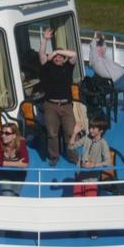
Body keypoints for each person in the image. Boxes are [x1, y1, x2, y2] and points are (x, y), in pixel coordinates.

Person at [39, 28, 78, 166]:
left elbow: (74, 54)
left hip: (66, 106)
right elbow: (42, 55)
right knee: (52, 134)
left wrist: (56, 51)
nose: (58, 58)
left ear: (63, 57)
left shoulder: (68, 66)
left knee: (70, 132)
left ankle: (72, 156)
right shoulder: (47, 66)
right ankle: (53, 157)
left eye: (60, 56)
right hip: (51, 105)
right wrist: (45, 39)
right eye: (56, 56)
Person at [69, 118, 111, 197]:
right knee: (76, 201)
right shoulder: (86, 138)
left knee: (89, 202)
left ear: (101, 130)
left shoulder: (103, 144)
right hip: (80, 176)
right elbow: (71, 147)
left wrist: (93, 165)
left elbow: (107, 162)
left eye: (93, 128)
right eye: (90, 127)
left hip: (91, 180)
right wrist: (74, 133)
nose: (90, 130)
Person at [0, 122, 29, 196]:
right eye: (2, 133)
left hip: (19, 174)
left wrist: (4, 163)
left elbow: (25, 163)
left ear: (14, 135)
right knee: (8, 196)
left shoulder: (21, 143)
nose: (3, 136)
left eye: (7, 133)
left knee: (15, 196)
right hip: (4, 173)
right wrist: (18, 164)